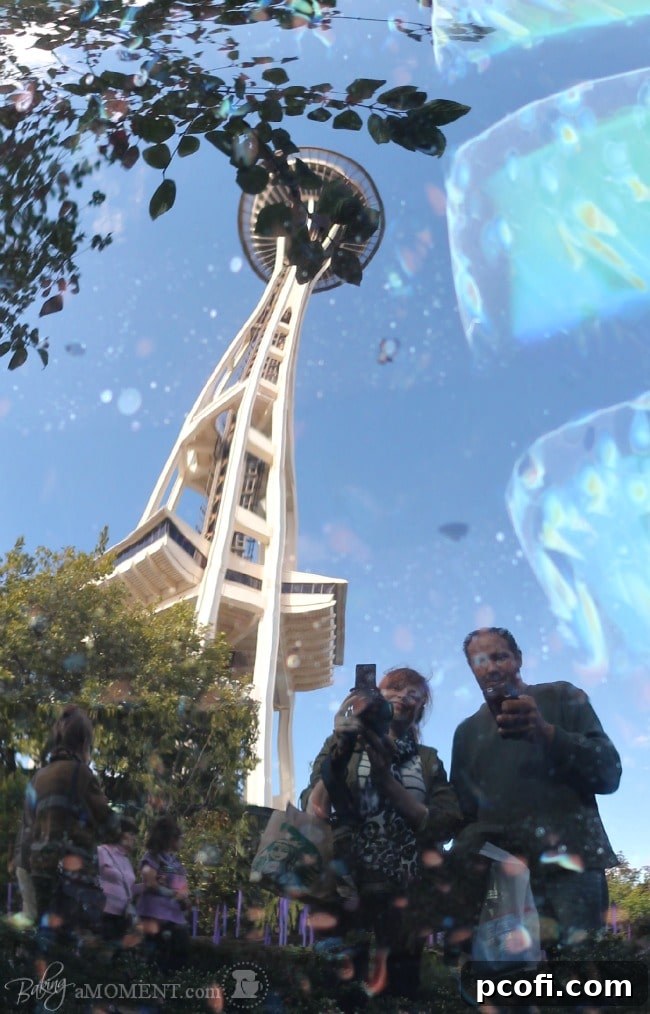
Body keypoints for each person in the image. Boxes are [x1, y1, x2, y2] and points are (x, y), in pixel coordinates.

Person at [449, 626, 622, 956]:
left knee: (583, 972)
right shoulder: (466, 733)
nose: (491, 667)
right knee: (509, 981)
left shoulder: (563, 696)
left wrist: (546, 733)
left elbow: (609, 773)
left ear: (518, 659)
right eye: (480, 661)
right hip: (504, 881)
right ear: (471, 669)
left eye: (499, 656)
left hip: (573, 868)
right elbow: (463, 814)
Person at [301, 666, 462, 1004]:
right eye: (395, 688)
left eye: (414, 694)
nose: (403, 696)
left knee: (401, 991)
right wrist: (342, 747)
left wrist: (386, 781)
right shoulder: (339, 745)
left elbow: (446, 822)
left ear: (420, 709)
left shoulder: (427, 760)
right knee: (339, 992)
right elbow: (314, 810)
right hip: (345, 888)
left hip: (406, 895)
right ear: (373, 697)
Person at [24, 704, 118, 951]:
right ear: (85, 742)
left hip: (41, 874)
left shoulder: (37, 778)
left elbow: (28, 831)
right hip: (73, 876)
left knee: (47, 943)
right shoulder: (82, 774)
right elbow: (110, 827)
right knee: (77, 948)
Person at [136, 814, 190, 972]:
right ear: (171, 838)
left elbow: (182, 887)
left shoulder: (175, 862)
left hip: (174, 916)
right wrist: (172, 893)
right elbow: (150, 882)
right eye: (180, 838)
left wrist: (184, 898)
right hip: (155, 915)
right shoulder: (152, 858)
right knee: (156, 959)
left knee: (178, 957)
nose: (182, 841)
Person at [97, 815, 138, 945]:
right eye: (131, 834)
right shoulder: (102, 851)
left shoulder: (126, 859)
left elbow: (129, 888)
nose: (134, 838)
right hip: (104, 914)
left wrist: (149, 885)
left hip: (123, 916)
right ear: (118, 833)